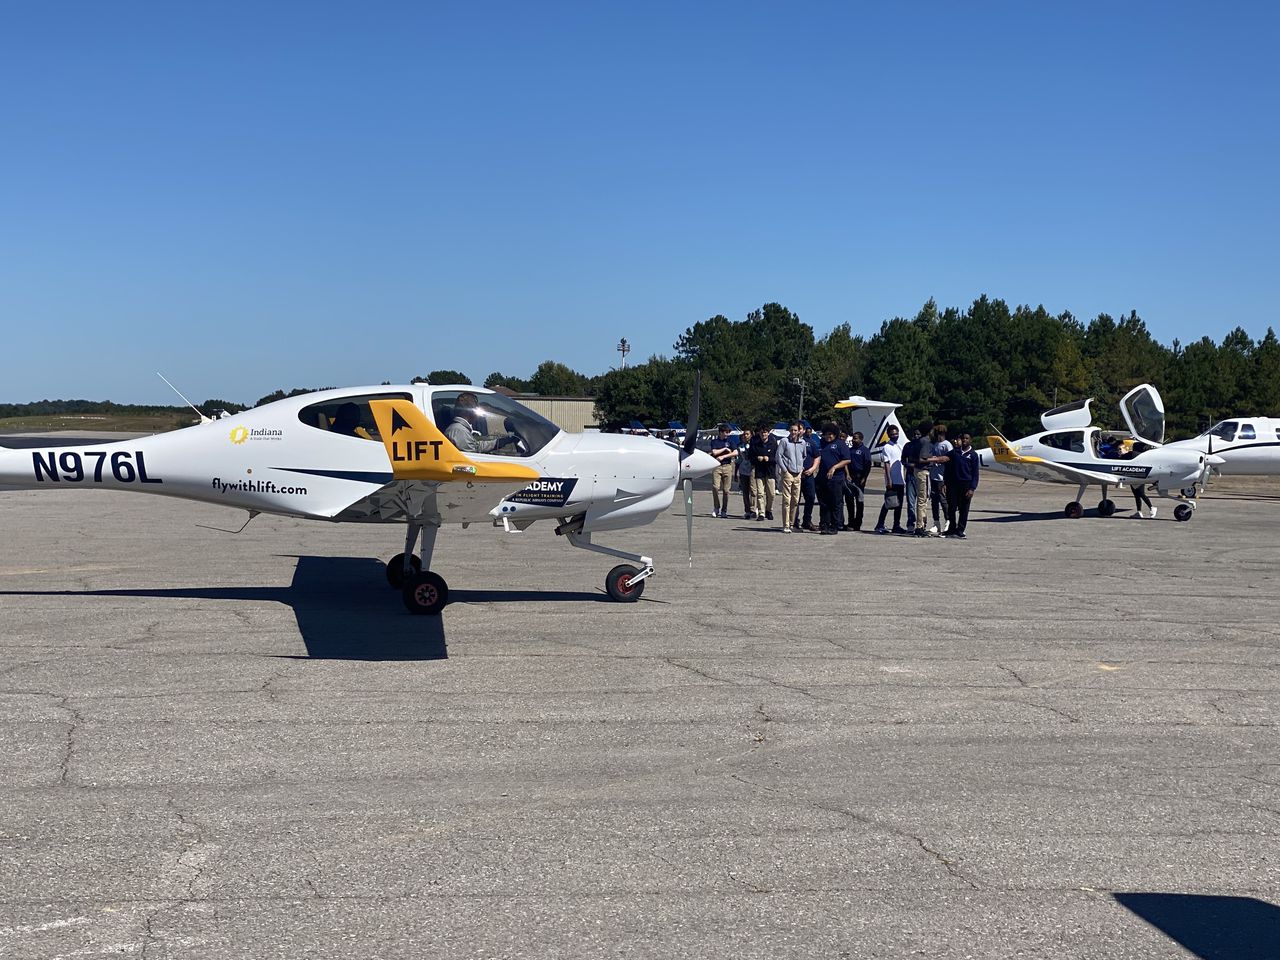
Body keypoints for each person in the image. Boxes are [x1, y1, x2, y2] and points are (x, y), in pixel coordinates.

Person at [446, 392, 518, 454]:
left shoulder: (459, 429)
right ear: (469, 412)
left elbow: (476, 446)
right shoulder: (459, 431)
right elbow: (473, 455)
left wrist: (500, 442)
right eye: (475, 410)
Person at [942, 432, 981, 539]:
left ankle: (960, 530)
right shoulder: (954, 452)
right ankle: (951, 528)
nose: (964, 440)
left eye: (967, 438)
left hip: (966, 484)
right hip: (952, 484)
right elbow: (946, 465)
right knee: (951, 507)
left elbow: (975, 474)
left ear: (970, 440)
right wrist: (945, 482)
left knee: (964, 509)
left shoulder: (973, 455)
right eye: (963, 438)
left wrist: (972, 488)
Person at [815, 423, 851, 534]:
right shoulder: (821, 444)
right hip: (822, 478)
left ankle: (835, 525)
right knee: (824, 503)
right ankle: (824, 524)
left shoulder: (840, 444)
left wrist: (834, 467)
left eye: (830, 434)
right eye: (826, 434)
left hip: (836, 479)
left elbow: (847, 460)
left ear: (835, 434)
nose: (828, 436)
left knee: (835, 503)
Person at [776, 422, 811, 533]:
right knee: (787, 499)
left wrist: (801, 469)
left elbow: (804, 455)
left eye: (796, 430)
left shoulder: (803, 443)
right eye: (791, 430)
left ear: (799, 431)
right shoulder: (784, 441)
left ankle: (791, 523)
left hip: (798, 473)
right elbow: (778, 456)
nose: (793, 432)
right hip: (788, 473)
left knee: (795, 500)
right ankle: (785, 524)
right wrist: (785, 470)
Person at [874, 425, 905, 534]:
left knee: (899, 504)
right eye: (892, 434)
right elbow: (886, 464)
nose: (895, 436)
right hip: (892, 479)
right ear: (888, 435)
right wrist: (889, 480)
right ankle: (880, 524)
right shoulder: (887, 447)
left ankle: (896, 524)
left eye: (896, 434)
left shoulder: (899, 446)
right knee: (888, 503)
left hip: (900, 479)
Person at [748, 423, 778, 521]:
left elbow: (776, 458)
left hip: (770, 471)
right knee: (760, 493)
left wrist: (768, 458)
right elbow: (750, 458)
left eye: (765, 432)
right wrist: (757, 458)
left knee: (771, 493)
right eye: (761, 433)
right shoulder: (755, 444)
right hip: (759, 471)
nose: (763, 434)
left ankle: (769, 510)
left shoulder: (773, 443)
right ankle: (761, 512)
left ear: (768, 433)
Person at [709, 424, 739, 518]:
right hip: (717, 466)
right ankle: (716, 507)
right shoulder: (715, 441)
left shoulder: (731, 441)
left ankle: (724, 510)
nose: (727, 434)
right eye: (726, 432)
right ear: (721, 432)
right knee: (715, 487)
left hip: (727, 466)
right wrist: (725, 449)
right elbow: (714, 452)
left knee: (726, 490)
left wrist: (724, 456)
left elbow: (735, 452)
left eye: (728, 432)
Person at [928, 424, 953, 535]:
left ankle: (948, 520)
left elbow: (950, 459)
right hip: (933, 475)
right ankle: (936, 522)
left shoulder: (947, 445)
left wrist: (937, 459)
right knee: (934, 500)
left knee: (943, 499)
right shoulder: (935, 444)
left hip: (942, 477)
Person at [844, 431, 872, 531]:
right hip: (850, 477)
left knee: (859, 501)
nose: (853, 440)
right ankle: (851, 521)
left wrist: (864, 478)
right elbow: (846, 462)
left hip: (860, 477)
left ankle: (858, 523)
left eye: (855, 438)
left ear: (861, 439)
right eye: (853, 438)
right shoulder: (850, 450)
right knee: (849, 500)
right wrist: (847, 474)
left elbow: (868, 465)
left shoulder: (865, 450)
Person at [798, 423, 821, 531]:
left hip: (808, 475)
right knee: (795, 500)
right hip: (795, 475)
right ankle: (793, 521)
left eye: (800, 429)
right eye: (796, 429)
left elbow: (817, 456)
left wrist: (812, 469)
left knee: (811, 497)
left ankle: (807, 521)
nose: (798, 431)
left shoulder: (811, 443)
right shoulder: (789, 442)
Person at [736, 428, 756, 518]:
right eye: (744, 434)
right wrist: (736, 472)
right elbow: (738, 460)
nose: (745, 436)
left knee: (753, 490)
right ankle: (747, 510)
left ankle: (753, 509)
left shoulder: (754, 445)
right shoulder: (740, 446)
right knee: (745, 491)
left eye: (747, 434)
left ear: (751, 435)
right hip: (743, 469)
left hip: (752, 469)